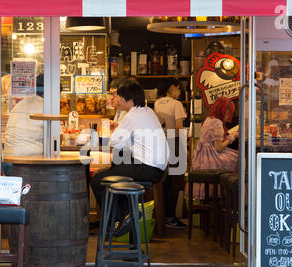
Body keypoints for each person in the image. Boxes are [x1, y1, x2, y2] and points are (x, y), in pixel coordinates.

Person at [90, 80, 169, 237]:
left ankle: (118, 220)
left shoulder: (131, 116)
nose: (117, 100)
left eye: (119, 96)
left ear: (128, 98)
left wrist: (116, 131)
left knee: (97, 179)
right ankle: (127, 215)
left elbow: (114, 143)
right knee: (115, 172)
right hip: (159, 170)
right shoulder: (147, 111)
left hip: (147, 169)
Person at [188, 97, 239, 200]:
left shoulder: (209, 119)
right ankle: (231, 199)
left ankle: (225, 200)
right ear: (223, 110)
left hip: (202, 159)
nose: (229, 115)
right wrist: (232, 137)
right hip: (211, 158)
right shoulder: (217, 123)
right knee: (239, 160)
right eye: (228, 111)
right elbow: (219, 148)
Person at [154, 77, 188, 229]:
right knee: (175, 182)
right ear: (172, 88)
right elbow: (179, 127)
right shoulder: (177, 104)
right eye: (178, 88)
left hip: (160, 143)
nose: (179, 91)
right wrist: (184, 148)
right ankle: (171, 218)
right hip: (174, 143)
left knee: (164, 180)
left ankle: (162, 216)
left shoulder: (157, 103)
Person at [3, 75, 44, 159]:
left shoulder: (21, 104)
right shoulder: (45, 106)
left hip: (8, 158)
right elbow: (57, 139)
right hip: (28, 161)